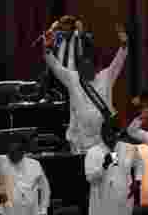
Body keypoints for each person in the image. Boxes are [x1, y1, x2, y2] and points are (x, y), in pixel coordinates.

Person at [44, 25, 128, 153]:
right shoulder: (72, 78)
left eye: (90, 67)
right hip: (81, 143)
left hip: (106, 140)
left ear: (96, 67)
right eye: (83, 68)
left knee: (112, 166)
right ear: (79, 69)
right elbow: (54, 65)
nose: (87, 71)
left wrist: (124, 44)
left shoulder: (106, 76)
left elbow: (119, 61)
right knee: (86, 172)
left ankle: (113, 165)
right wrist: (47, 48)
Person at [0, 133, 50, 215]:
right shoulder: (1, 162)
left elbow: (45, 189)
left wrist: (43, 209)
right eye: (10, 151)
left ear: (22, 151)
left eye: (14, 151)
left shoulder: (35, 164)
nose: (11, 154)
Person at [85, 121, 143, 215]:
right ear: (101, 134)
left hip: (124, 195)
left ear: (117, 134)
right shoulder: (93, 152)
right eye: (105, 135)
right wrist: (104, 166)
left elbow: (140, 163)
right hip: (103, 199)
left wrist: (137, 181)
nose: (109, 138)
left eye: (111, 135)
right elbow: (90, 178)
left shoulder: (129, 148)